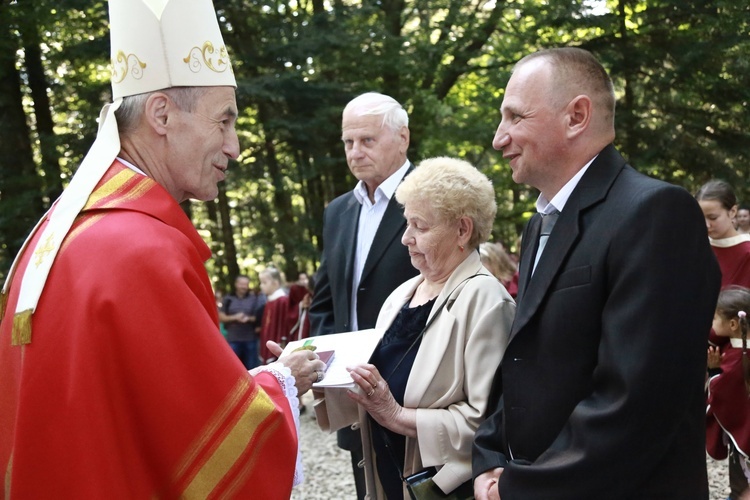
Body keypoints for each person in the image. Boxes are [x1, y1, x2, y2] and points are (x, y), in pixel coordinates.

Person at [0, 0, 327, 496]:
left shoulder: (61, 234)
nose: (235, 146)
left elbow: (142, 412)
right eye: (224, 121)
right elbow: (205, 444)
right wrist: (281, 381)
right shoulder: (141, 249)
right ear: (161, 114)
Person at [472, 47, 721, 498]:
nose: (498, 138)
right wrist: (490, 457)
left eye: (514, 117)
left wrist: (523, 488)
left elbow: (638, 402)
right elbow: (525, 361)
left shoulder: (654, 213)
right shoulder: (538, 225)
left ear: (577, 116)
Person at [315, 157, 515, 498]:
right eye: (406, 224)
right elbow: (375, 389)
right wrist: (316, 370)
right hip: (387, 477)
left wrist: (397, 416)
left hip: (440, 488)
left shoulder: (486, 299)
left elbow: (488, 425)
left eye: (420, 227)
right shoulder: (402, 295)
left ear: (462, 230)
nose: (406, 238)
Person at [309, 91, 420, 498]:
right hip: (350, 389)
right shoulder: (338, 211)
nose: (355, 152)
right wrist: (323, 360)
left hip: (414, 391)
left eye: (367, 140)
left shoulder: (434, 195)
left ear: (403, 138)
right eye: (348, 142)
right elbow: (326, 300)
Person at [706, 286, 750, 500]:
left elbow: (725, 396)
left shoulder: (735, 360)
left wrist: (714, 371)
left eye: (714, 318)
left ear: (733, 324)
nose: (711, 324)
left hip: (744, 438)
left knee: (740, 482)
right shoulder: (739, 351)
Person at [219, 274, 265, 368]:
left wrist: (248, 318)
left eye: (246, 284)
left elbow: (259, 317)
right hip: (233, 339)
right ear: (236, 284)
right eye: (241, 284)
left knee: (252, 368)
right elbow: (221, 317)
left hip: (250, 339)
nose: (244, 287)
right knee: (233, 368)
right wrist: (235, 317)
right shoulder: (228, 298)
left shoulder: (254, 298)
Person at [258, 266, 289, 363]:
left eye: (264, 283)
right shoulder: (270, 300)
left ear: (275, 283)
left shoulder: (282, 300)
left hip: (278, 341)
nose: (261, 286)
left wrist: (283, 341)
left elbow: (285, 324)